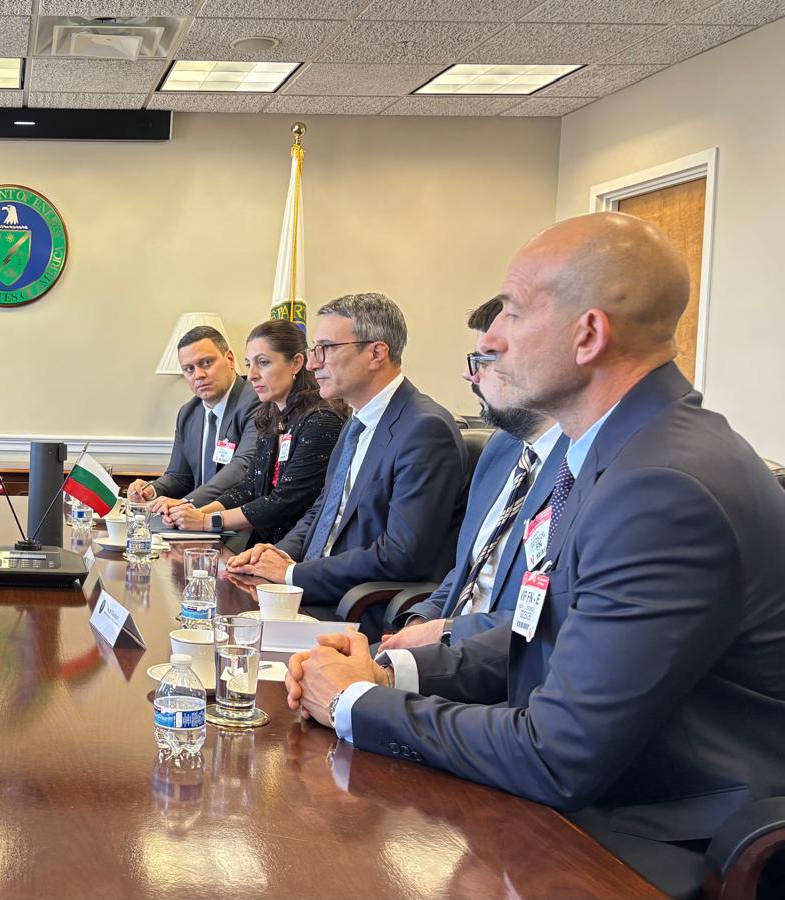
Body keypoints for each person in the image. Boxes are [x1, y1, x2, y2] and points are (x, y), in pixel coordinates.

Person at [285, 213, 785, 897]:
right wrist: (392, 670)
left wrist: (356, 703)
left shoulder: (662, 486)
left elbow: (558, 754)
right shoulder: (612, 452)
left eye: (513, 312)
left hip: (658, 831)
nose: (490, 339)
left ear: (589, 335)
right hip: (598, 786)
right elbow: (544, 632)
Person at [224, 293, 467, 611]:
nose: (313, 363)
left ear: (376, 353)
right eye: (315, 350)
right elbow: (323, 510)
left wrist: (291, 574)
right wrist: (279, 554)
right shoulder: (357, 421)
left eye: (326, 349)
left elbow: (400, 556)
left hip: (356, 608)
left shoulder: (425, 430)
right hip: (314, 588)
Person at [383, 297, 565, 649]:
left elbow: (546, 616)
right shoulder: (501, 448)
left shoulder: (578, 470)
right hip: (446, 646)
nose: (470, 374)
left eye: (485, 360)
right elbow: (469, 568)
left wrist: (444, 632)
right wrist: (423, 618)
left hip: (498, 660)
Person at [163, 319, 344, 546]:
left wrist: (206, 521)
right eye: (249, 364)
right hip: (264, 545)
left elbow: (283, 502)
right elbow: (248, 488)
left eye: (263, 363)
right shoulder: (271, 417)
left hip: (299, 550)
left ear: (296, 363)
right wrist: (191, 512)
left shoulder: (321, 421)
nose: (252, 375)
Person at [127, 325, 258, 511]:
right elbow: (179, 477)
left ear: (229, 359)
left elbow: (242, 467)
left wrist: (187, 503)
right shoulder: (188, 413)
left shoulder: (255, 400)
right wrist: (151, 489)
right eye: (189, 369)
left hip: (238, 519)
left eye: (207, 363)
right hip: (194, 519)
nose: (199, 375)